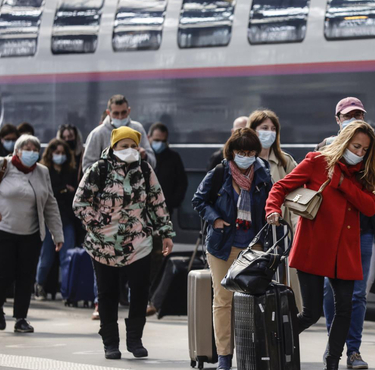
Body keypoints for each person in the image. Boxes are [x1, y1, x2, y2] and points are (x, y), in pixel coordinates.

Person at [266, 121, 375, 370]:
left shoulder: (364, 172)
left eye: (364, 149)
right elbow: (281, 186)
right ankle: (273, 341)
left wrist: (342, 183)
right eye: (356, 146)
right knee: (311, 312)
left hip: (345, 250)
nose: (359, 153)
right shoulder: (317, 161)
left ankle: (332, 361)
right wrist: (272, 209)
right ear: (344, 142)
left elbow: (371, 207)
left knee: (344, 310)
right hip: (314, 245)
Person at [73, 126, 175, 360]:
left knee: (140, 291)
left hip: (139, 243)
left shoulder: (145, 169)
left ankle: (135, 340)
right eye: (123, 146)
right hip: (103, 246)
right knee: (107, 293)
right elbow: (79, 203)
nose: (129, 150)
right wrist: (98, 224)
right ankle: (110, 343)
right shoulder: (99, 169)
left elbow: (157, 202)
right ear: (113, 146)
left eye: (132, 146)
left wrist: (166, 233)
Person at [317, 97, 375, 369]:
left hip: (363, 231)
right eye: (349, 115)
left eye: (359, 114)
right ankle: (334, 345)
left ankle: (353, 350)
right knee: (331, 291)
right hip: (332, 232)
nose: (354, 119)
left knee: (357, 294)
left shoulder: (373, 149)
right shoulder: (326, 147)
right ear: (338, 120)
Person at [192, 128, 271, 370]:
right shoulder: (220, 172)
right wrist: (215, 218)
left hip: (253, 246)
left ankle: (250, 354)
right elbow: (199, 200)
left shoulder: (262, 174)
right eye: (240, 151)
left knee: (251, 301)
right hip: (222, 246)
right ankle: (225, 357)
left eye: (250, 152)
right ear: (232, 151)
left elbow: (270, 202)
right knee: (223, 301)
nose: (245, 156)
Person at [0, 134, 65, 333]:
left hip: (30, 233)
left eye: (35, 149)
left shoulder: (42, 172)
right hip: (2, 229)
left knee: (26, 276)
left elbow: (50, 203)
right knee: (4, 272)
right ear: (17, 151)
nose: (31, 152)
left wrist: (57, 233)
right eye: (27, 148)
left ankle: (21, 318)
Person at [145, 122, 187, 316]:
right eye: (156, 140)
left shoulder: (173, 158)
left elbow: (182, 183)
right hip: (143, 214)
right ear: (148, 137)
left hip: (163, 213)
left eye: (162, 141)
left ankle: (152, 295)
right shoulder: (145, 158)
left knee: (159, 256)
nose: (159, 144)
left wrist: (171, 202)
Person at [34, 139, 79, 300]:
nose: (60, 156)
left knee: (67, 257)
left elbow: (75, 194)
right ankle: (39, 286)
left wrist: (64, 191)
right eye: (57, 153)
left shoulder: (71, 171)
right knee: (46, 257)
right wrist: (63, 189)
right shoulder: (44, 171)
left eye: (63, 153)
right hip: (49, 221)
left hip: (66, 219)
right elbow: (48, 193)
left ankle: (67, 290)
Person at [82, 94, 155, 171]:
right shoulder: (97, 134)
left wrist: (145, 156)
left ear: (129, 111)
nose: (120, 117)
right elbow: (87, 167)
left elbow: (153, 162)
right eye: (116, 113)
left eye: (123, 112)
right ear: (108, 113)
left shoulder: (138, 129)